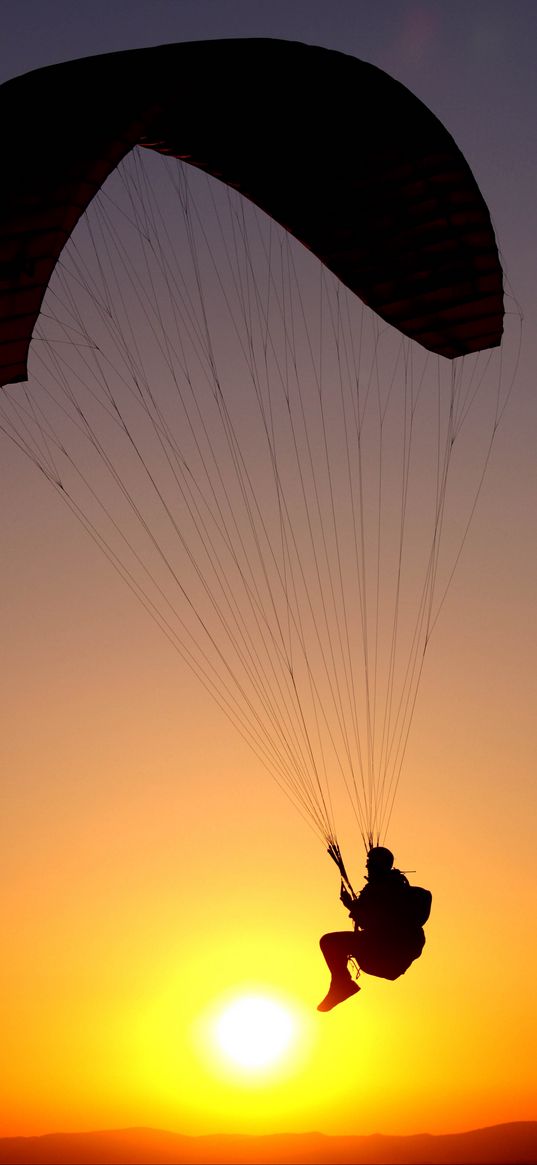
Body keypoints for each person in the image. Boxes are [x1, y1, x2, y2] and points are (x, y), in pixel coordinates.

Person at [317, 845, 431, 1012]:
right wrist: (355, 908)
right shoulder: (391, 888)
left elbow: (382, 923)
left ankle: (342, 984)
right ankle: (341, 984)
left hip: (384, 954)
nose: (367, 866)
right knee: (332, 943)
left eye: (370, 862)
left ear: (379, 865)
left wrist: (353, 907)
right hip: (387, 958)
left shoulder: (385, 890)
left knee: (329, 942)